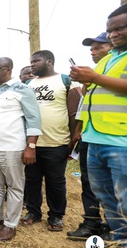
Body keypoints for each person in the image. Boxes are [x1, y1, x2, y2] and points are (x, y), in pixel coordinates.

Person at [70, 3, 127, 243]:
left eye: (118, 29)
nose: (112, 34)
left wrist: (93, 77)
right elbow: (94, 92)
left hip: (120, 141)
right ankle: (119, 237)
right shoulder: (109, 59)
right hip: (95, 139)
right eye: (109, 30)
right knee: (106, 198)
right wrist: (86, 79)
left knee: (124, 199)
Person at [0, 57, 41, 241]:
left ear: (8, 69)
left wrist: (31, 147)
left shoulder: (23, 90)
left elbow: (34, 119)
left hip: (11, 148)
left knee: (14, 186)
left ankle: (10, 225)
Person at [22, 50, 80, 232]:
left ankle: (55, 215)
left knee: (55, 182)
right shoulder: (29, 83)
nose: (32, 64)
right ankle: (33, 211)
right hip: (32, 143)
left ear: (49, 61)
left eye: (35, 61)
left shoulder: (65, 80)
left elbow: (73, 113)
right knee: (32, 179)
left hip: (57, 142)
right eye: (31, 62)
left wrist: (72, 139)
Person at [67, 32, 113, 241]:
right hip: (90, 137)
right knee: (89, 183)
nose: (93, 52)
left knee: (114, 186)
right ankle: (91, 223)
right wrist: (78, 130)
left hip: (115, 139)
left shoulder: (118, 70)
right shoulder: (92, 76)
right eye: (91, 49)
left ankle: (113, 226)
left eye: (98, 48)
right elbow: (84, 106)